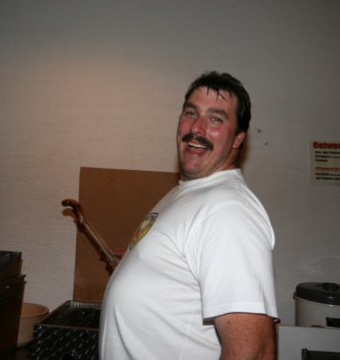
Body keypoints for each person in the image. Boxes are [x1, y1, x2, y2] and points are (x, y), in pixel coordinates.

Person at [99, 71, 278, 360]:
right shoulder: (189, 192)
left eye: (216, 119)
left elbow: (255, 351)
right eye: (191, 113)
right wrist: (144, 267)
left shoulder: (228, 211)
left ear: (238, 139)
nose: (197, 128)